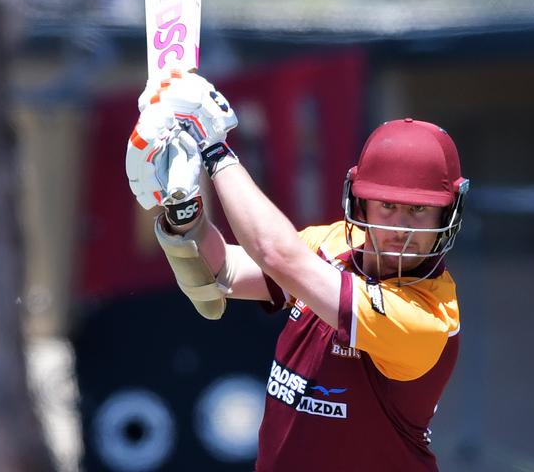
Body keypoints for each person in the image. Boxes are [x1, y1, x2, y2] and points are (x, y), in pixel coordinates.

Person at [125, 70, 470, 471]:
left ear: (448, 215)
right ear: (360, 205)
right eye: (387, 206)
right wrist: (185, 213)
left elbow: (277, 254)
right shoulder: (332, 246)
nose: (399, 228)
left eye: (418, 211)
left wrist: (214, 150)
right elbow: (226, 273)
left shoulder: (425, 320)